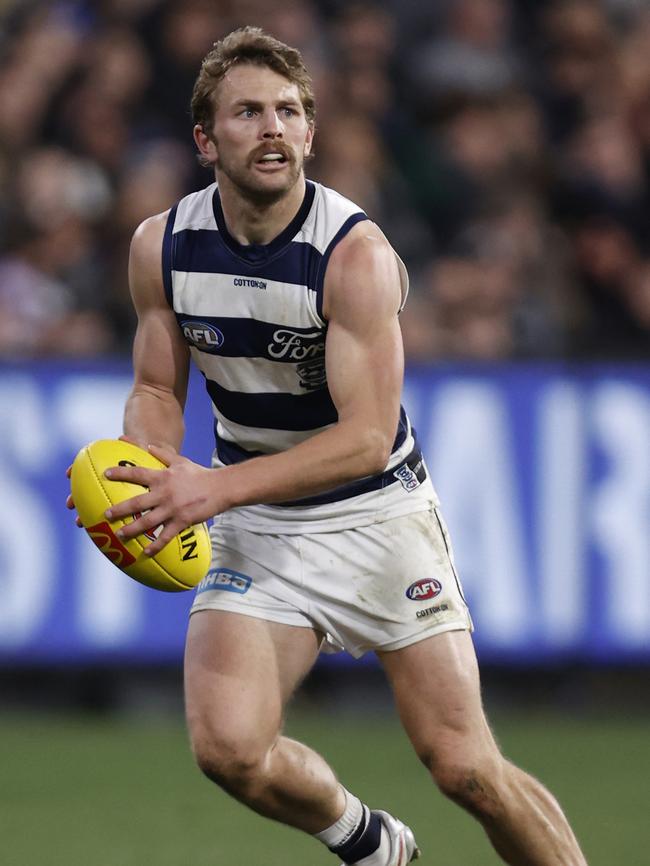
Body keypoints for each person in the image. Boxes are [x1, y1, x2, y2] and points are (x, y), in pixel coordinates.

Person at [71, 27, 588, 866]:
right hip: (259, 524)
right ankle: (371, 842)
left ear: (311, 132)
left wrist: (211, 491)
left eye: (288, 112)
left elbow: (364, 440)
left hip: (376, 516)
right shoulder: (158, 246)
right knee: (228, 749)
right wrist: (152, 464)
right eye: (248, 112)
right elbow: (159, 389)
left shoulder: (353, 255)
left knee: (466, 769)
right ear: (207, 140)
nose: (273, 128)